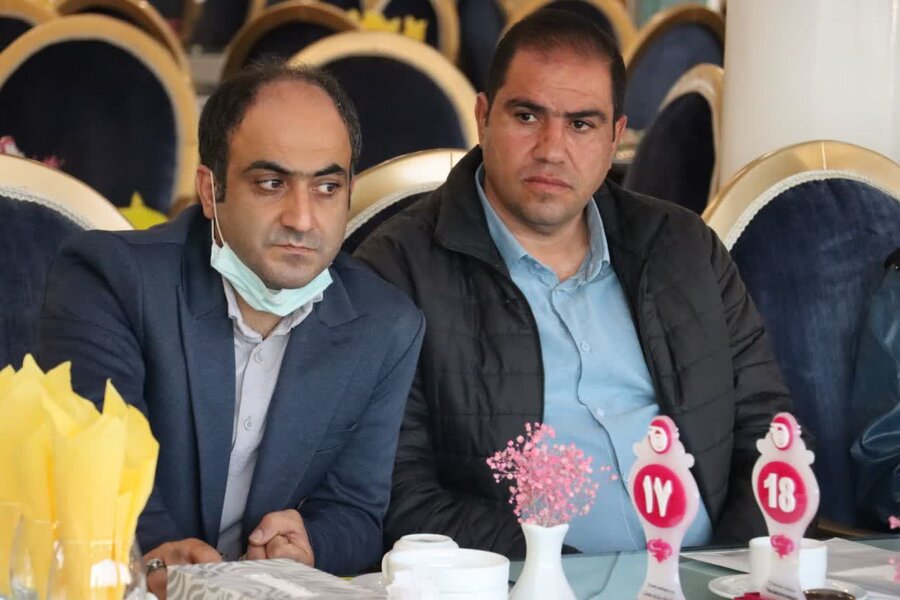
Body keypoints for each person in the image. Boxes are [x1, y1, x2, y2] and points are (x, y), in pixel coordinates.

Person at [354, 8, 793, 557]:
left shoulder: (683, 248)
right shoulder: (397, 271)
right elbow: (400, 493)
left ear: (615, 138)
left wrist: (733, 567)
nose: (552, 149)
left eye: (581, 124)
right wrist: (560, 576)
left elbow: (768, 431)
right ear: (483, 118)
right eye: (527, 116)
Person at [37, 61, 425, 592]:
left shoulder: (385, 326)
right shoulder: (111, 281)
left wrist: (310, 542)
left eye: (327, 187)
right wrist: (159, 560)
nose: (302, 218)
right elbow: (92, 475)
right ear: (209, 189)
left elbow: (356, 511)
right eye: (271, 183)